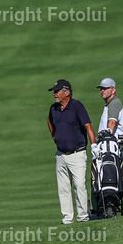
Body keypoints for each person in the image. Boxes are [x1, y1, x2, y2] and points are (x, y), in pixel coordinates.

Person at [46, 79, 95, 224]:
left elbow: (88, 126)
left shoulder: (77, 106)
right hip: (60, 155)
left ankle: (83, 217)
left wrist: (94, 146)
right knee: (63, 188)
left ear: (66, 92)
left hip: (77, 154)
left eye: (57, 91)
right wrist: (54, 136)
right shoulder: (53, 108)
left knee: (79, 185)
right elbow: (49, 121)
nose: (54, 94)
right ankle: (67, 219)